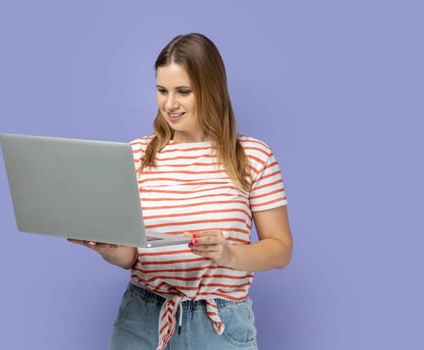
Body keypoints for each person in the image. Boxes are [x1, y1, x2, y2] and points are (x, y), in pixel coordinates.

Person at [68, 33, 293, 350]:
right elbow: (131, 256)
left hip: (221, 327)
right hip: (142, 319)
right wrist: (107, 248)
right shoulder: (134, 156)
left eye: (183, 92)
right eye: (162, 91)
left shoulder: (254, 156)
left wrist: (229, 254)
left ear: (211, 89)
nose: (169, 104)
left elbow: (281, 249)